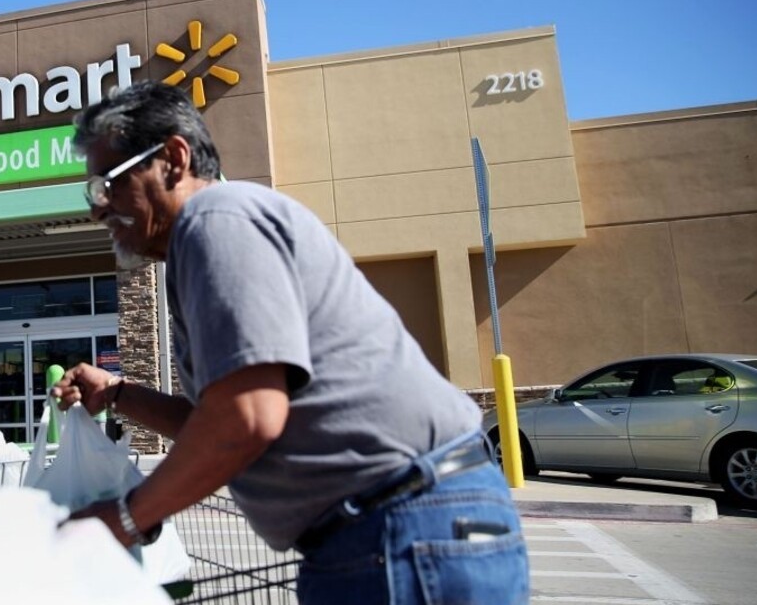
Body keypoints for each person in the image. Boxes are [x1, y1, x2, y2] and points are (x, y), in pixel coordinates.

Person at [51, 81, 529, 604]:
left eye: (107, 185)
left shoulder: (215, 222)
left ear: (172, 158)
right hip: (392, 532)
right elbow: (218, 425)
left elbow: (246, 420)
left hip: (405, 529)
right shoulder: (207, 241)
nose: (99, 209)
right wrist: (118, 393)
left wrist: (123, 519)